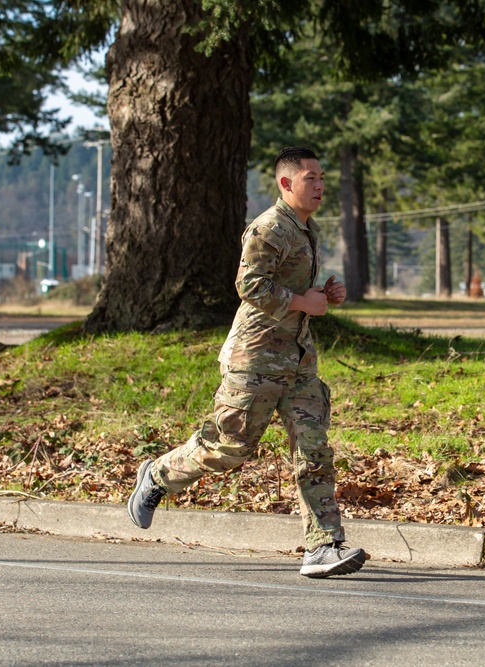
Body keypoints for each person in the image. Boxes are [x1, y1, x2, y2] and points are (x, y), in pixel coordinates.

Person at [127, 146, 365, 578]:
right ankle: (159, 474)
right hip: (254, 358)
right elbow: (249, 285)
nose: (319, 185)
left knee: (314, 449)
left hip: (298, 361)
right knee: (230, 448)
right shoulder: (269, 227)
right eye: (310, 177)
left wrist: (324, 296)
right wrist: (302, 301)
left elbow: (291, 289)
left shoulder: (307, 228)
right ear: (286, 183)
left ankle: (324, 545)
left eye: (322, 177)